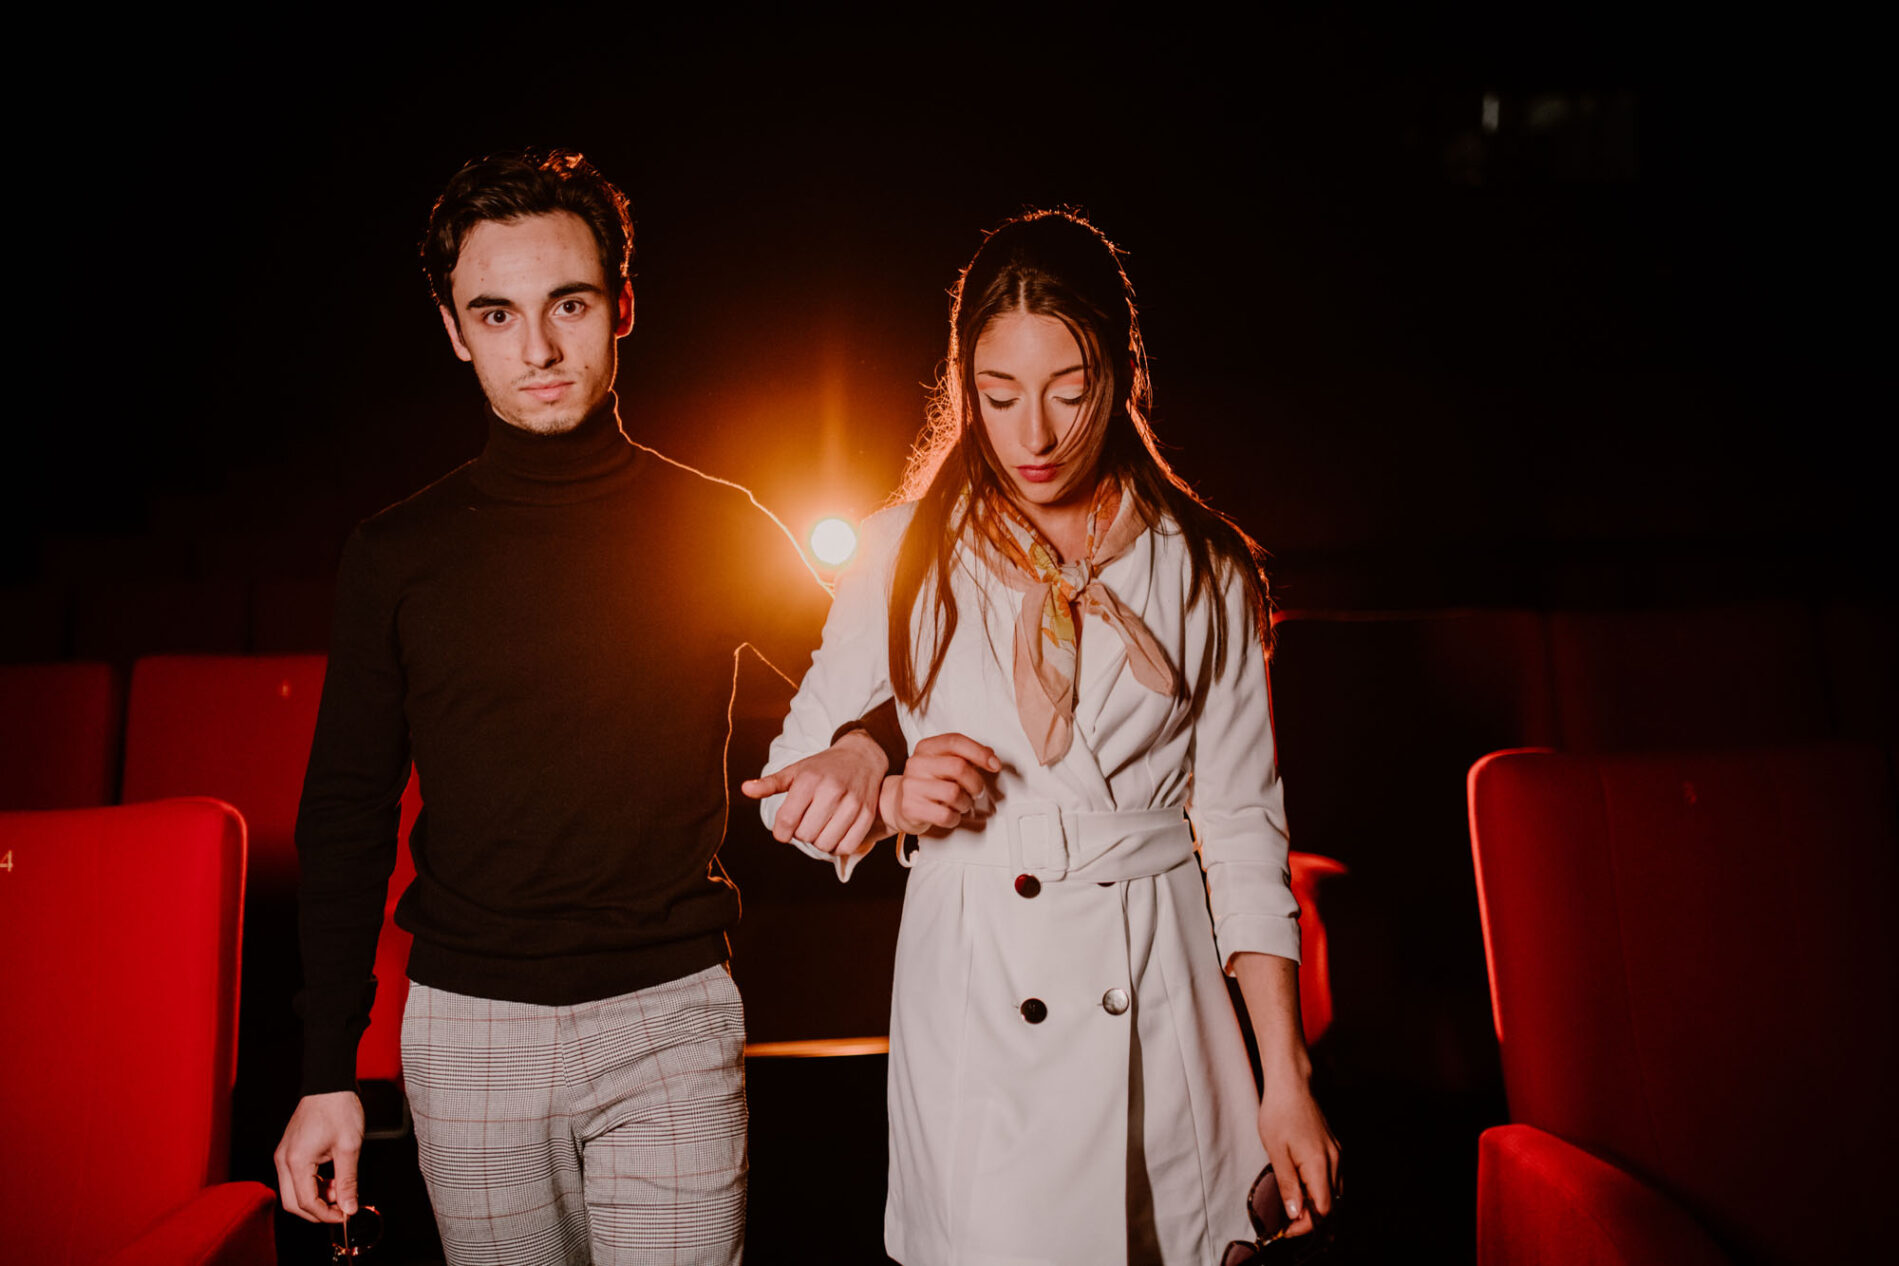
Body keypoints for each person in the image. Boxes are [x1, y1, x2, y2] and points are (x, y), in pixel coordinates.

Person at [273, 148, 901, 1266]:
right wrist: (326, 1073)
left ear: (622, 307)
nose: (540, 347)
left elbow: (878, 677)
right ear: (457, 331)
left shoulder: (713, 522)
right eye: (497, 314)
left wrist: (860, 741)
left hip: (669, 1016)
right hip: (467, 1034)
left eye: (567, 304)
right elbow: (345, 814)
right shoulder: (395, 556)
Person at [746, 210, 1340, 1264]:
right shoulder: (897, 553)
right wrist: (882, 795)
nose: (1035, 436)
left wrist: (1283, 1081)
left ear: (1121, 372)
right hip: (980, 1005)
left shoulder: (1207, 568)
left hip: (1164, 1000)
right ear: (963, 384)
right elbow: (788, 797)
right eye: (999, 395)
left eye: (1069, 392)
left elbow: (1246, 838)